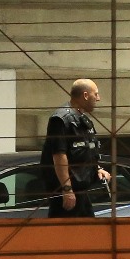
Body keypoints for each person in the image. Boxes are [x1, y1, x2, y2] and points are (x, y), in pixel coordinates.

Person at [40, 78, 112, 218]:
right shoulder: (60, 119)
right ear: (85, 95)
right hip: (68, 193)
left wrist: (97, 169)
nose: (98, 98)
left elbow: (84, 152)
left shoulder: (83, 120)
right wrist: (67, 189)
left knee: (87, 234)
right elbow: (59, 156)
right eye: (95, 94)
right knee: (66, 235)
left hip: (81, 192)